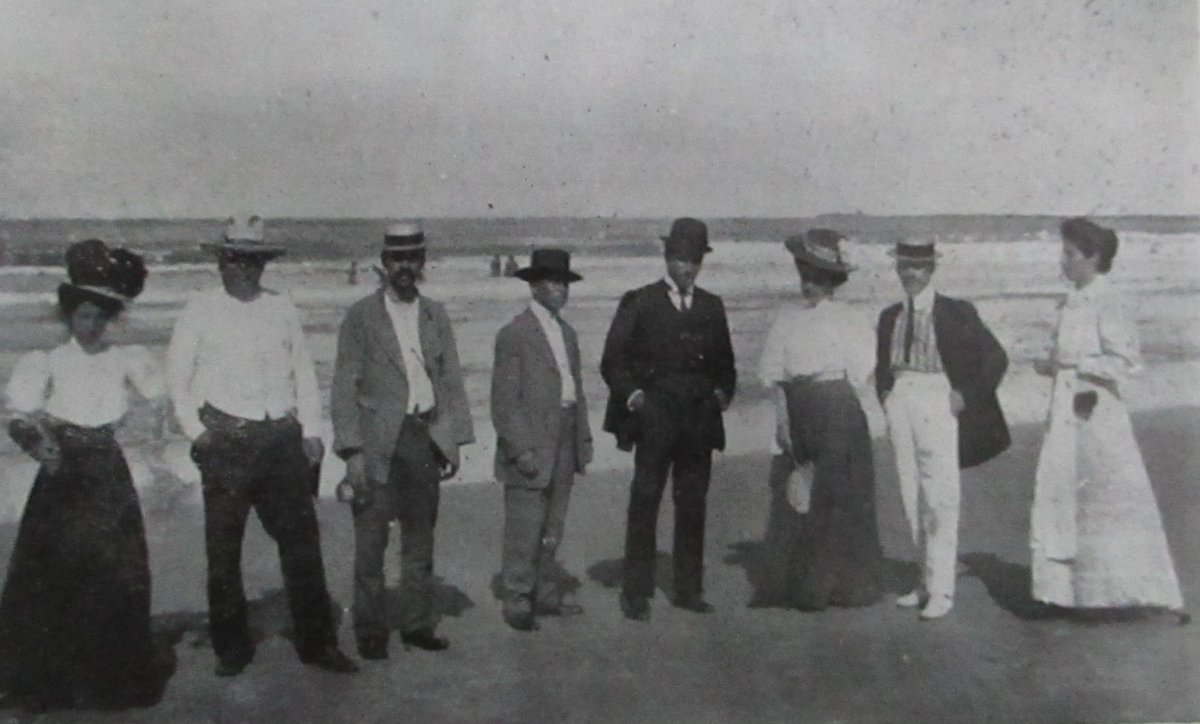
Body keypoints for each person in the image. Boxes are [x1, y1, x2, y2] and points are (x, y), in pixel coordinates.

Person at [166, 216, 357, 676]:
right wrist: (198, 433)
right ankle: (231, 648)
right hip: (225, 438)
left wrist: (312, 430)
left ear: (264, 264)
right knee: (224, 550)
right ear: (220, 261)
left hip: (280, 440)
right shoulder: (199, 308)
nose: (246, 269)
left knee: (301, 543)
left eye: (254, 260)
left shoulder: (282, 307)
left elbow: (305, 373)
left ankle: (317, 644)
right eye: (236, 259)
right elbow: (177, 379)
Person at [0, 240, 166, 709]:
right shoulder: (47, 362)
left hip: (107, 472)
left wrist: (154, 441)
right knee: (50, 574)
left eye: (100, 317)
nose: (91, 326)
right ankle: (41, 684)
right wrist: (37, 444)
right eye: (83, 316)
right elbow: (17, 416)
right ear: (69, 316)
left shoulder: (124, 359)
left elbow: (158, 400)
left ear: (110, 317)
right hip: (61, 473)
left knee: (115, 575)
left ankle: (109, 682)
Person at [1030, 217, 1187, 621]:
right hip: (1065, 411)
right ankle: (1066, 593)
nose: (1062, 261)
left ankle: (1120, 591)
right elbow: (1060, 353)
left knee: (1104, 497)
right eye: (1062, 252)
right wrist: (1049, 364)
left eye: (1070, 254)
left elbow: (1128, 362)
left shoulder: (1107, 300)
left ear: (1093, 257)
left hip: (1096, 414)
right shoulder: (1067, 302)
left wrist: (1076, 362)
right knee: (1063, 495)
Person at [331, 221, 474, 659]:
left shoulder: (435, 313)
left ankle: (415, 625)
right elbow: (342, 388)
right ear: (384, 263)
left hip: (423, 437)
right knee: (371, 543)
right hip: (376, 445)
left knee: (420, 540)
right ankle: (371, 630)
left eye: (413, 257)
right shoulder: (361, 316)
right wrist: (352, 452)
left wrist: (452, 441)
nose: (405, 266)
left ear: (423, 262)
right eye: (397, 258)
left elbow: (449, 379)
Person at [601, 217, 736, 621]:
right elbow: (612, 362)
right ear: (666, 257)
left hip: (698, 420)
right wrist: (636, 397)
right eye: (679, 259)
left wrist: (721, 395)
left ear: (701, 262)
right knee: (645, 500)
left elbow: (726, 366)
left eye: (694, 260)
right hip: (655, 418)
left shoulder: (713, 306)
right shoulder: (639, 301)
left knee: (692, 504)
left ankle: (688, 589)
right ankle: (636, 591)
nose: (686, 268)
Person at [875, 240, 1010, 620]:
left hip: (938, 397)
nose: (910, 273)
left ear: (932, 269)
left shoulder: (956, 311)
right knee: (909, 491)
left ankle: (943, 589)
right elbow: (882, 365)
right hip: (901, 398)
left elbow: (996, 357)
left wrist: (967, 395)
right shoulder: (889, 316)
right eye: (904, 265)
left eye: (917, 266)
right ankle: (923, 581)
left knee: (940, 496)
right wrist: (886, 395)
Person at [758, 230, 883, 610]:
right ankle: (804, 587)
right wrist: (782, 422)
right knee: (798, 496)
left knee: (839, 496)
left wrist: (867, 421)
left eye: (818, 278)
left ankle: (843, 585)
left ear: (832, 282)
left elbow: (860, 376)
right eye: (805, 276)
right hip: (799, 410)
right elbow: (774, 378)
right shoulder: (786, 321)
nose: (809, 285)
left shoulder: (850, 319)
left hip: (838, 412)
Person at [491, 248, 593, 631]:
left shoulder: (567, 333)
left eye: (564, 282)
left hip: (564, 434)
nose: (560, 290)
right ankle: (517, 598)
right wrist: (521, 448)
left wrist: (582, 439)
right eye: (552, 282)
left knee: (553, 524)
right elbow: (503, 402)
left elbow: (575, 391)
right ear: (533, 286)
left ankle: (546, 593)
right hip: (532, 440)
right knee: (524, 525)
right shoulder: (514, 334)